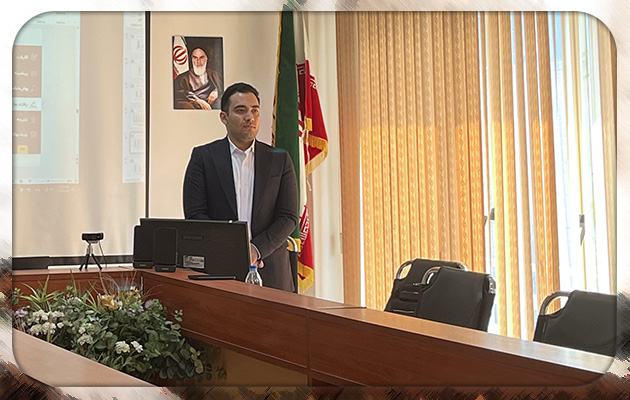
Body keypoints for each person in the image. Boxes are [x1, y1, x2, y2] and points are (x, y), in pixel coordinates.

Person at [183, 82, 298, 292]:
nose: (249, 117)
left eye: (255, 110)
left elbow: (288, 217)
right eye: (241, 110)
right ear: (224, 117)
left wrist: (256, 249)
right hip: (219, 270)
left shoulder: (279, 160)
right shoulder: (204, 158)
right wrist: (233, 251)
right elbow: (195, 215)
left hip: (271, 271)